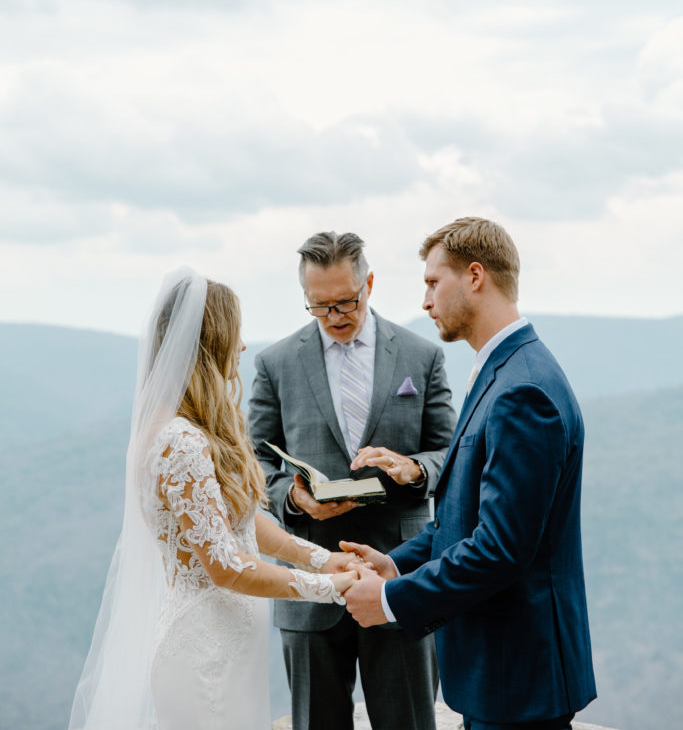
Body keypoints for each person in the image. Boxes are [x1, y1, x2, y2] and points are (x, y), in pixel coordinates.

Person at [69, 269, 358, 730]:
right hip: (203, 653)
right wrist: (326, 591)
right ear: (212, 341)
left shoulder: (197, 429)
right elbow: (223, 563)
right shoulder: (179, 442)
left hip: (230, 646)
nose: (242, 346)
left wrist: (323, 560)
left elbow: (243, 524)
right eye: (234, 333)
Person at [343, 217, 597, 730]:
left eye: (433, 282)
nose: (425, 301)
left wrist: (392, 601)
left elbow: (500, 549)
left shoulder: (524, 391)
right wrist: (396, 564)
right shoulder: (503, 371)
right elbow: (460, 518)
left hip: (520, 679)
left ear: (475, 276)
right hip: (499, 678)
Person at [248, 231, 456, 730]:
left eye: (347, 301)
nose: (336, 316)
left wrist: (414, 469)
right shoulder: (274, 363)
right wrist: (294, 500)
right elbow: (254, 462)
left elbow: (451, 452)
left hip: (398, 576)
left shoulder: (420, 356)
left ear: (370, 284)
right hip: (308, 577)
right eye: (320, 307)